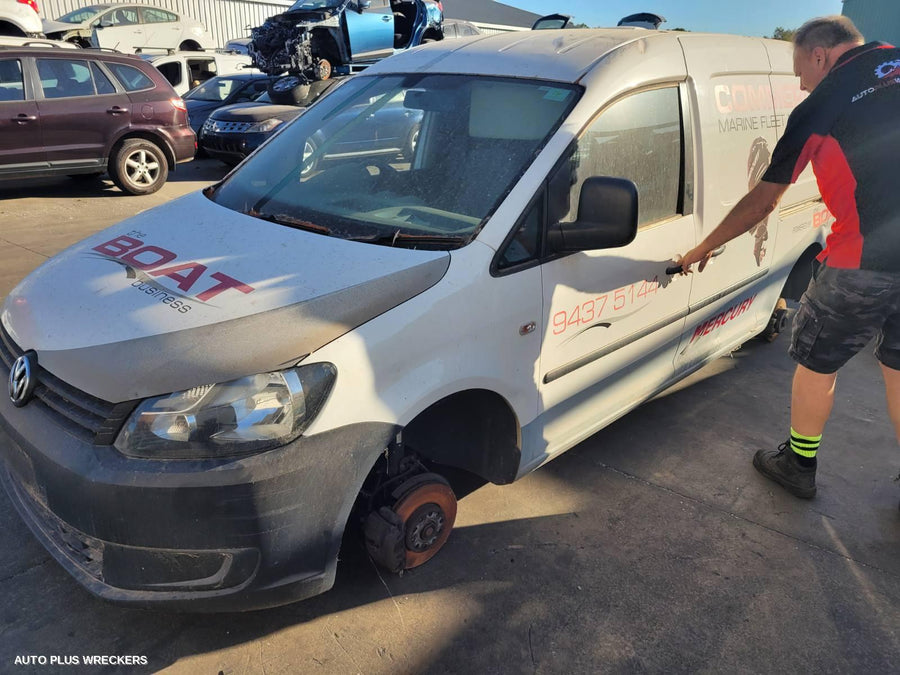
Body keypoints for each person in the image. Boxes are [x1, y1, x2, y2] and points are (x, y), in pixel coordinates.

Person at [676, 16, 900, 501]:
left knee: (817, 363)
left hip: (860, 262)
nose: (801, 84)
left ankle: (798, 464)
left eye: (801, 71)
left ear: (820, 55)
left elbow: (763, 201)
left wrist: (703, 247)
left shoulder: (821, 104)